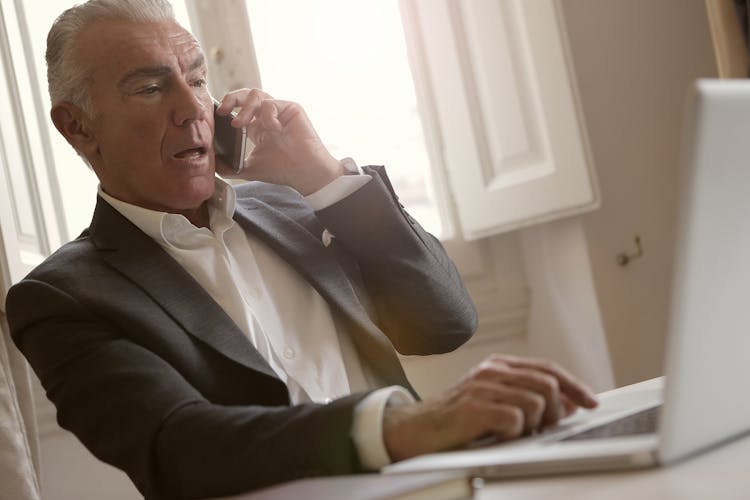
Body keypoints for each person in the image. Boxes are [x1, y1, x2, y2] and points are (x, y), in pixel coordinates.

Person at [5, 1, 598, 498]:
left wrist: (322, 177)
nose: (191, 109)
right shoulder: (61, 297)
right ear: (78, 127)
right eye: (150, 87)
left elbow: (444, 322)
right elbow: (179, 446)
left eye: (196, 77)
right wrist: (400, 425)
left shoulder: (296, 207)